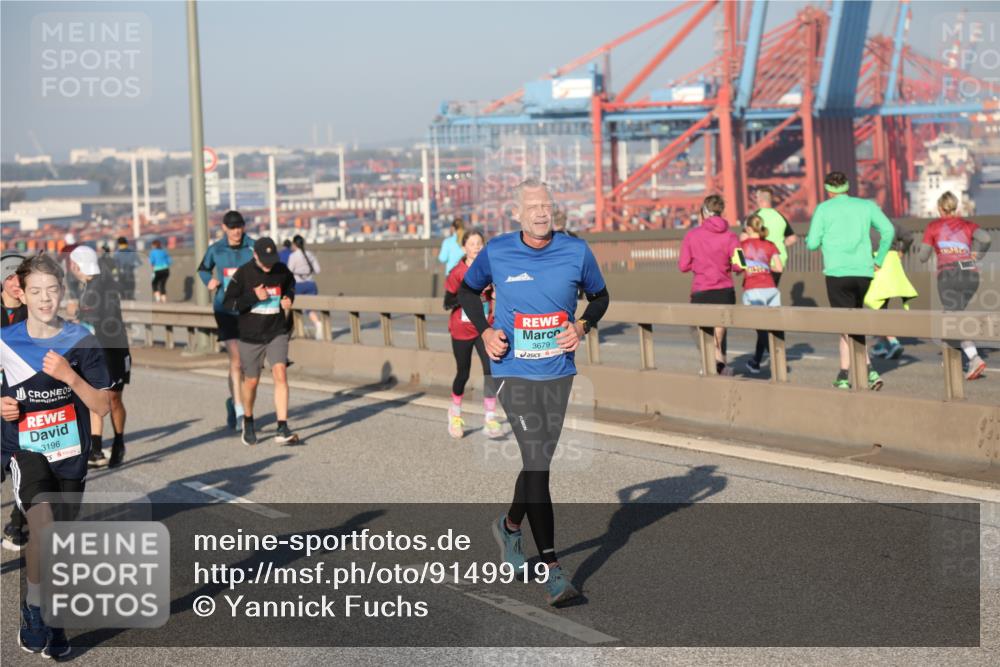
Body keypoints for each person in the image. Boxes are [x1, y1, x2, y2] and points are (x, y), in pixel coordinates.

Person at [459, 178, 610, 606]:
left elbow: (601, 298)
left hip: (558, 371)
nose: (542, 213)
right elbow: (468, 291)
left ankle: (509, 527)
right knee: (538, 463)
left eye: (547, 205)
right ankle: (553, 570)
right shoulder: (498, 250)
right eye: (533, 207)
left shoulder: (577, 252)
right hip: (511, 370)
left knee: (536, 461)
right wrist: (486, 331)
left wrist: (581, 326)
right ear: (517, 212)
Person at [1, 254, 111, 659]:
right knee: (43, 525)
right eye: (36, 291)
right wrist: (2, 404)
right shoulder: (6, 340)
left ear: (62, 291)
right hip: (25, 449)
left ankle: (56, 622)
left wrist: (70, 376)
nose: (45, 299)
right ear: (22, 293)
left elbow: (101, 406)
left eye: (52, 290)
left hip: (69, 453)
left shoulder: (81, 338)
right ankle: (33, 607)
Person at [805, 171, 894, 390]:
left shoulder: (823, 209)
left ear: (828, 189)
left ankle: (869, 369)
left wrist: (814, 238)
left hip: (837, 273)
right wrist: (879, 258)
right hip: (864, 272)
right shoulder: (866, 206)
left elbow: (812, 244)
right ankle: (843, 373)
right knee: (852, 322)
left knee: (846, 325)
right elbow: (889, 230)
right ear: (847, 187)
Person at [223, 237, 298, 446]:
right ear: (255, 255)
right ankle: (248, 419)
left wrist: (289, 298)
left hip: (276, 332)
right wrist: (254, 297)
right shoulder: (244, 274)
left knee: (280, 373)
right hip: (250, 336)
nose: (268, 264)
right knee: (252, 381)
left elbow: (291, 284)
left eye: (271, 259)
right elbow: (229, 303)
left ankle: (282, 426)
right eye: (264, 260)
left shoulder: (281, 270)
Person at [67, 246, 132, 469]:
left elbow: (103, 316)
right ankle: (95, 449)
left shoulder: (103, 284)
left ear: (76, 265)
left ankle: (119, 442)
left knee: (113, 399)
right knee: (95, 396)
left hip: (114, 349)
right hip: (95, 351)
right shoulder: (88, 285)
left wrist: (80, 315)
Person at [919, 191, 992, 380]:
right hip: (970, 274)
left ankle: (974, 357)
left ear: (940, 208)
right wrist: (975, 256)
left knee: (953, 317)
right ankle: (952, 357)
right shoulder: (967, 225)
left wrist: (931, 249)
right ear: (955, 207)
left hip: (948, 275)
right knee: (952, 315)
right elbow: (985, 239)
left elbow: (922, 256)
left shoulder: (933, 226)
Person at [197, 211, 255, 430]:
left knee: (251, 365)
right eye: (232, 227)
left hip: (249, 309)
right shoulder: (216, 250)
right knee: (237, 360)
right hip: (225, 309)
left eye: (239, 226)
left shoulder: (252, 247)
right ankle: (241, 411)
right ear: (224, 228)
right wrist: (209, 281)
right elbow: (202, 269)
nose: (236, 231)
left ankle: (233, 402)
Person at [443, 229, 500, 439]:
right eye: (472, 243)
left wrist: (493, 293)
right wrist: (468, 296)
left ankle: (490, 418)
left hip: (484, 328)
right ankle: (455, 413)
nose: (476, 247)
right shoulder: (457, 272)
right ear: (464, 247)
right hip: (461, 329)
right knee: (463, 373)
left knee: (490, 370)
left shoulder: (489, 269)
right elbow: (446, 302)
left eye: (480, 243)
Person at [679, 194, 739, 375]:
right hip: (725, 290)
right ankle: (721, 364)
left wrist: (698, 265)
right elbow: (740, 264)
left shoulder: (692, 236)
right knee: (720, 329)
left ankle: (713, 363)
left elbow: (683, 266)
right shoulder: (732, 236)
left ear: (704, 213)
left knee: (701, 328)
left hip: (702, 289)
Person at [1, 254, 29, 552]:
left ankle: (16, 523)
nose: (15, 282)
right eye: (9, 277)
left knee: (27, 466)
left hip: (26, 404)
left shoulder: (37, 313)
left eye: (20, 276)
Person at [733, 214, 783, 375]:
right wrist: (765, 267)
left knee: (761, 329)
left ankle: (776, 360)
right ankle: (755, 362)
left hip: (753, 288)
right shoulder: (770, 244)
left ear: (748, 229)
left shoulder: (740, 246)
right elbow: (779, 268)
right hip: (771, 288)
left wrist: (749, 266)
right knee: (771, 327)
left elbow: (739, 269)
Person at [866, 225, 918, 360]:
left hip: (876, 265)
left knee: (876, 304)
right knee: (882, 306)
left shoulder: (865, 225)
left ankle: (893, 341)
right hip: (893, 266)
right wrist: (901, 251)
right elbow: (909, 237)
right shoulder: (891, 223)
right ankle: (882, 344)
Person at [746, 186, 797, 287]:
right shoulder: (780, 216)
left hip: (759, 263)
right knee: (771, 290)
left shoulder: (755, 217)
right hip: (779, 263)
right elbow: (792, 238)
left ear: (759, 199)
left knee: (758, 294)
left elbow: (744, 237)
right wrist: (781, 244)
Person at [286, 234, 323, 340]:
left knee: (294, 309)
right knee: (309, 309)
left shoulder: (293, 256)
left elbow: (288, 271)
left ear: (294, 244)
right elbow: (318, 270)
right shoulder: (310, 254)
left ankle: (298, 331)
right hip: (311, 284)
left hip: (298, 285)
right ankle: (318, 324)